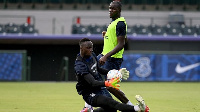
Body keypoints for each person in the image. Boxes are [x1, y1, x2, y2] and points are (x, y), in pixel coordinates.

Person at [75, 38, 149, 112]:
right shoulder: (80, 65)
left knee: (112, 109)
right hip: (89, 94)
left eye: (91, 47)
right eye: (88, 48)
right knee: (112, 103)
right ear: (81, 48)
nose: (91, 50)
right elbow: (92, 83)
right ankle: (138, 108)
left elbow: (99, 69)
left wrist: (115, 72)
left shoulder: (92, 55)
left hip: (99, 89)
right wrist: (107, 83)